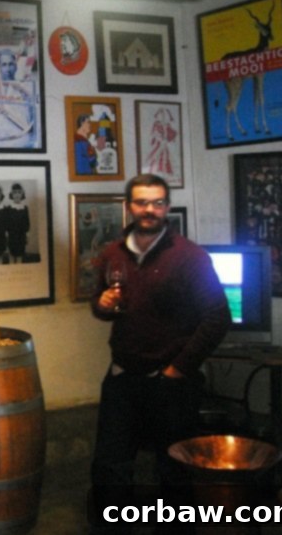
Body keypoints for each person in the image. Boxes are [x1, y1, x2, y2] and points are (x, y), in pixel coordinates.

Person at [89, 174, 230, 532]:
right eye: (141, 202)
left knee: (174, 471)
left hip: (170, 383)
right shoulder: (111, 254)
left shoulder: (190, 257)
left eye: (156, 203)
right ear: (129, 206)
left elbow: (217, 318)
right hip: (122, 377)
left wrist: (178, 369)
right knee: (110, 467)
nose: (149, 210)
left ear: (167, 207)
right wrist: (102, 304)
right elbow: (101, 305)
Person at [5, 183, 30, 264]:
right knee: (11, 256)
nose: (17, 195)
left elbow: (27, 223)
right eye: (15, 192)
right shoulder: (8, 208)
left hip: (21, 236)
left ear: (22, 194)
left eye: (19, 192)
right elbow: (6, 224)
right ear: (11, 194)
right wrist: (6, 235)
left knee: (19, 257)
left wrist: (26, 235)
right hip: (11, 236)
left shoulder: (25, 208)